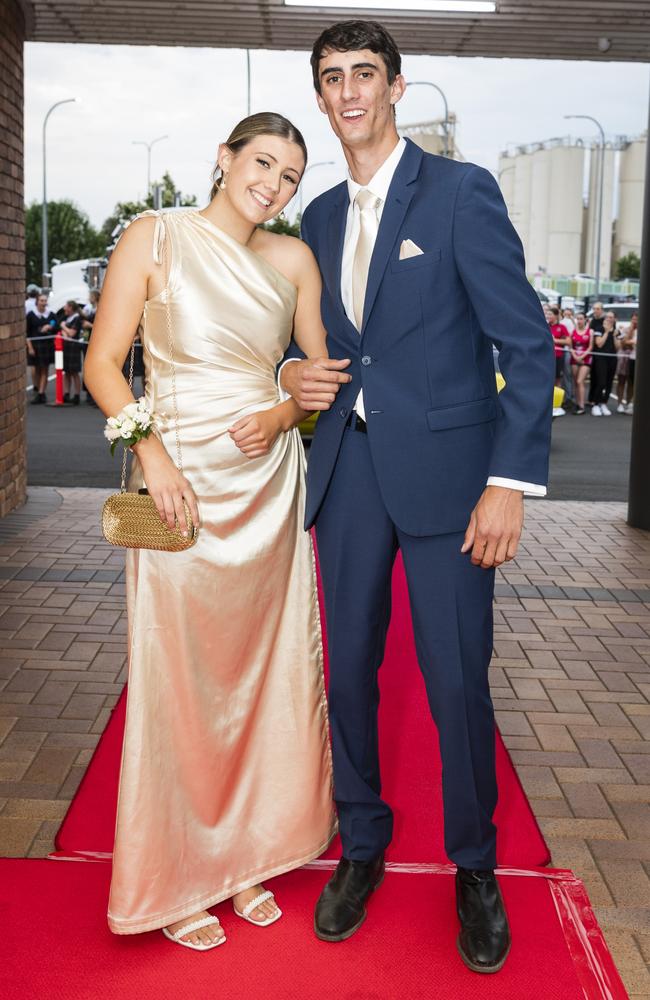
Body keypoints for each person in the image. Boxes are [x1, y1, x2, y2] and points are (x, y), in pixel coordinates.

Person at [279, 19, 554, 975]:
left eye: (364, 74)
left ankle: (473, 866)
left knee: (453, 681)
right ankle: (362, 844)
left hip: (450, 482)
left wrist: (508, 483)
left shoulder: (459, 193)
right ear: (319, 98)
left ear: (397, 87)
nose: (347, 92)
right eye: (330, 78)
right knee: (348, 672)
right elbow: (307, 345)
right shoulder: (312, 218)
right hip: (347, 478)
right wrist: (290, 379)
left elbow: (526, 345)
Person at [84, 112, 337, 951]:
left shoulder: (293, 260)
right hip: (182, 489)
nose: (274, 183)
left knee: (256, 681)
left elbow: (317, 380)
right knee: (180, 682)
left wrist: (275, 417)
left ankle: (245, 857)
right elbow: (101, 365)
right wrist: (151, 457)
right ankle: (179, 875)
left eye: (291, 175)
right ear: (224, 159)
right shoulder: (153, 238)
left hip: (265, 490)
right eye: (262, 162)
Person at [26, 292, 57, 404]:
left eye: (45, 300)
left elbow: (56, 327)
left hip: (46, 346)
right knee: (37, 369)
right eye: (41, 301)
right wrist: (29, 347)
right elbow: (27, 333)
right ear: (37, 302)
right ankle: (39, 390)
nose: (44, 303)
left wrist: (49, 326)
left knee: (44, 369)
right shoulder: (31, 315)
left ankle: (41, 393)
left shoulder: (51, 314)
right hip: (34, 345)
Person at [590, 309, 617, 416]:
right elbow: (599, 344)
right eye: (607, 317)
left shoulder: (616, 330)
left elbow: (618, 347)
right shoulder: (599, 329)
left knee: (609, 382)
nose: (609, 319)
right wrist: (606, 332)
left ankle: (604, 403)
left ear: (614, 319)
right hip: (601, 359)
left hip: (612, 358)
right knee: (601, 382)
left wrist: (614, 335)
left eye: (611, 317)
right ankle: (596, 404)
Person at [59, 300, 83, 405]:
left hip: (74, 347)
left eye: (66, 307)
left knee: (74, 372)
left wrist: (63, 326)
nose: (64, 309)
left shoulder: (77, 319)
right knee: (67, 372)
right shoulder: (67, 318)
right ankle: (66, 393)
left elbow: (71, 334)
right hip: (67, 347)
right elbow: (64, 335)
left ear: (71, 308)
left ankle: (77, 395)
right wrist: (65, 332)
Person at [569, 312, 593, 414]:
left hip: (585, 359)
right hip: (574, 359)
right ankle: (577, 403)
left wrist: (581, 357)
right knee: (575, 382)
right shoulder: (573, 331)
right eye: (577, 319)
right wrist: (575, 356)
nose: (579, 321)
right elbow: (571, 346)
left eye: (581, 319)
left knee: (580, 381)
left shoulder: (590, 331)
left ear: (585, 319)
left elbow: (591, 347)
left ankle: (582, 406)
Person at [617, 312, 637, 414]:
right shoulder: (626, 329)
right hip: (624, 358)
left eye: (637, 319)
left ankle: (629, 403)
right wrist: (630, 331)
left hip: (633, 358)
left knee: (631, 382)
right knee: (621, 380)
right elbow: (623, 343)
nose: (635, 321)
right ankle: (619, 403)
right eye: (633, 319)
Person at [587, 301, 605, 408]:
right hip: (592, 352)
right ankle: (591, 399)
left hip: (601, 353)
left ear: (602, 310)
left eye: (597, 309)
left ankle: (597, 399)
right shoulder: (592, 321)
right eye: (594, 308)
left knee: (600, 378)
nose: (595, 311)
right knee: (593, 376)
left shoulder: (604, 321)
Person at [548, 305, 571, 389]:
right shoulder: (545, 326)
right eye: (547, 314)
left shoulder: (562, 327)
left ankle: (557, 400)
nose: (548, 316)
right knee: (548, 378)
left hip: (558, 356)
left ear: (556, 315)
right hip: (547, 356)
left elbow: (568, 341)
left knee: (557, 378)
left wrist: (555, 340)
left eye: (550, 314)